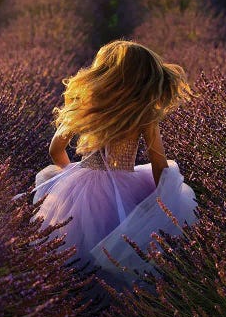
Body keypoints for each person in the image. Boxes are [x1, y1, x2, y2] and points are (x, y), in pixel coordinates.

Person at [29, 40, 198, 293]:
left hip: (82, 183)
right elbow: (159, 163)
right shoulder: (144, 113)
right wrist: (162, 197)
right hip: (126, 185)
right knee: (122, 250)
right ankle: (120, 313)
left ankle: (75, 303)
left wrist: (70, 176)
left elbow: (55, 149)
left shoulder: (88, 106)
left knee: (71, 249)